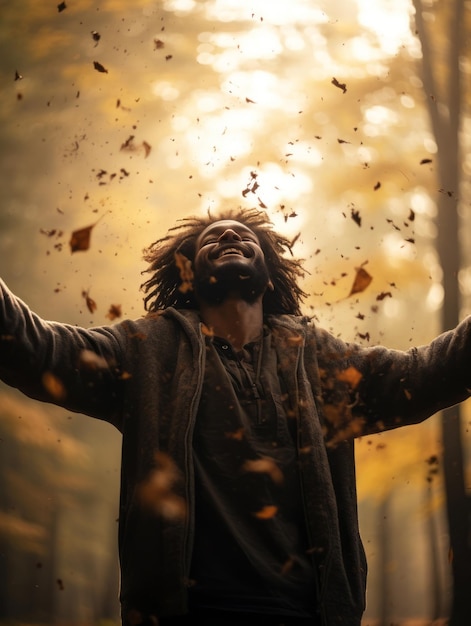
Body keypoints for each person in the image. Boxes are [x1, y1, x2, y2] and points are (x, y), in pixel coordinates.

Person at [1, 207, 470, 626]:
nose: (228, 236)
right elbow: (39, 350)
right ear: (186, 273)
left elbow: (422, 375)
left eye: (243, 234)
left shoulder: (318, 358)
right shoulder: (146, 349)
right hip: (183, 612)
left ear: (269, 275)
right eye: (212, 238)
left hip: (309, 611)